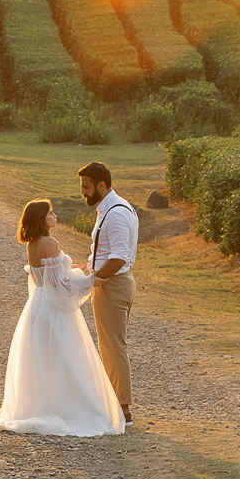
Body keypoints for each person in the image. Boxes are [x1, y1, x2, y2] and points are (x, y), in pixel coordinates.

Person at [0, 198, 126, 436]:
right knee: (65, 358)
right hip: (53, 309)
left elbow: (48, 280)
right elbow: (59, 287)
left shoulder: (33, 244)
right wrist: (90, 281)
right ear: (42, 218)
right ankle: (68, 408)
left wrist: (75, 271)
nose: (55, 216)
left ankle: (43, 404)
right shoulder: (50, 242)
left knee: (43, 360)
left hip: (38, 306)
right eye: (51, 213)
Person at [76, 160, 137, 425]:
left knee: (113, 349)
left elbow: (119, 256)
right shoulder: (108, 208)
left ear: (102, 185)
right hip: (111, 282)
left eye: (87, 187)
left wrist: (96, 278)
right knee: (109, 346)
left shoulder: (117, 212)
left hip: (113, 285)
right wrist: (88, 266)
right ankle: (114, 404)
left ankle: (123, 411)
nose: (84, 193)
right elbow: (105, 250)